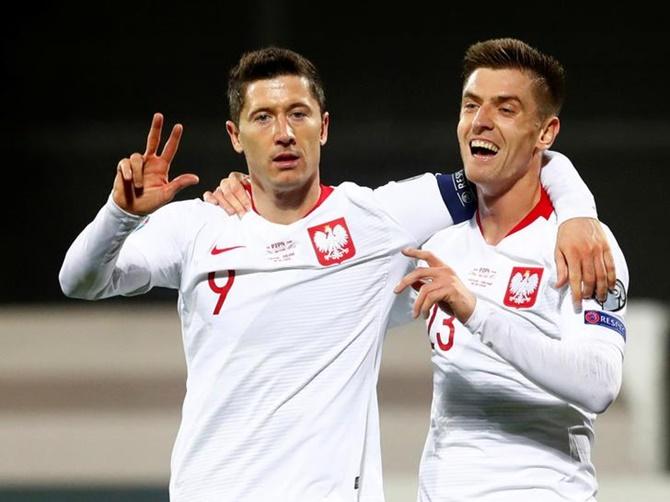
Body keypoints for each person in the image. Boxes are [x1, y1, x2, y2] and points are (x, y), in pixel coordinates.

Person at [59, 47, 612, 502]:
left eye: (298, 114)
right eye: (263, 118)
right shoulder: (195, 225)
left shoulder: (375, 221)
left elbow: (501, 167)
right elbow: (79, 281)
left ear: (323, 127)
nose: (283, 133)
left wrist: (577, 207)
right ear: (235, 135)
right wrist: (120, 214)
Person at [392, 38, 628, 501]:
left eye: (506, 109)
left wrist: (476, 312)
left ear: (546, 132)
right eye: (471, 105)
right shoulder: (440, 240)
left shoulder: (581, 244)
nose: (480, 122)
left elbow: (599, 383)